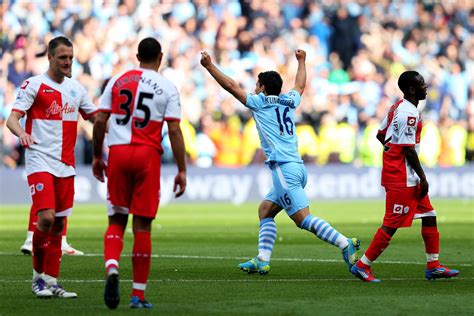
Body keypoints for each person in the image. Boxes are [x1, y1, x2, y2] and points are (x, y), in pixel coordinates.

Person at [200, 49, 360, 275]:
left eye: (257, 85)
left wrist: (209, 66)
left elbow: (231, 87)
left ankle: (345, 243)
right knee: (265, 210)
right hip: (296, 166)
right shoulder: (288, 100)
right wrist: (302, 61)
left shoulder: (259, 102)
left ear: (263, 88)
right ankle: (262, 259)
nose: (255, 89)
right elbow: (300, 85)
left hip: (284, 169)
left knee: (303, 220)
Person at [92, 37, 187, 310]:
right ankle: (138, 295)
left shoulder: (117, 81)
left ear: (137, 56)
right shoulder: (167, 87)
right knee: (142, 226)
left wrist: (98, 155)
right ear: (160, 57)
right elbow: (174, 130)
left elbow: (100, 120)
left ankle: (112, 267)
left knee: (116, 220)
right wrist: (181, 169)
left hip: (119, 153)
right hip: (147, 156)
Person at [6, 36, 97, 298]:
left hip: (66, 165)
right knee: (45, 217)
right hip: (39, 160)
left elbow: (95, 116)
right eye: (62, 58)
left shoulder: (77, 89)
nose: (68, 62)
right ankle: (37, 280)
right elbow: (12, 120)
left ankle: (53, 281)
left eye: (70, 57)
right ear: (50, 57)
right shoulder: (33, 85)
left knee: (58, 225)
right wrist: (22, 133)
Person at [350, 71, 460, 282]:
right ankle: (363, 265)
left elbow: (381, 134)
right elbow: (408, 150)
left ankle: (433, 265)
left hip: (404, 174)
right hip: (402, 178)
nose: (425, 87)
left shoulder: (396, 107)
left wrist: (391, 154)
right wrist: (422, 177)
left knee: (429, 216)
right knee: (391, 224)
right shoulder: (408, 113)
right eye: (421, 84)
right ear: (411, 89)